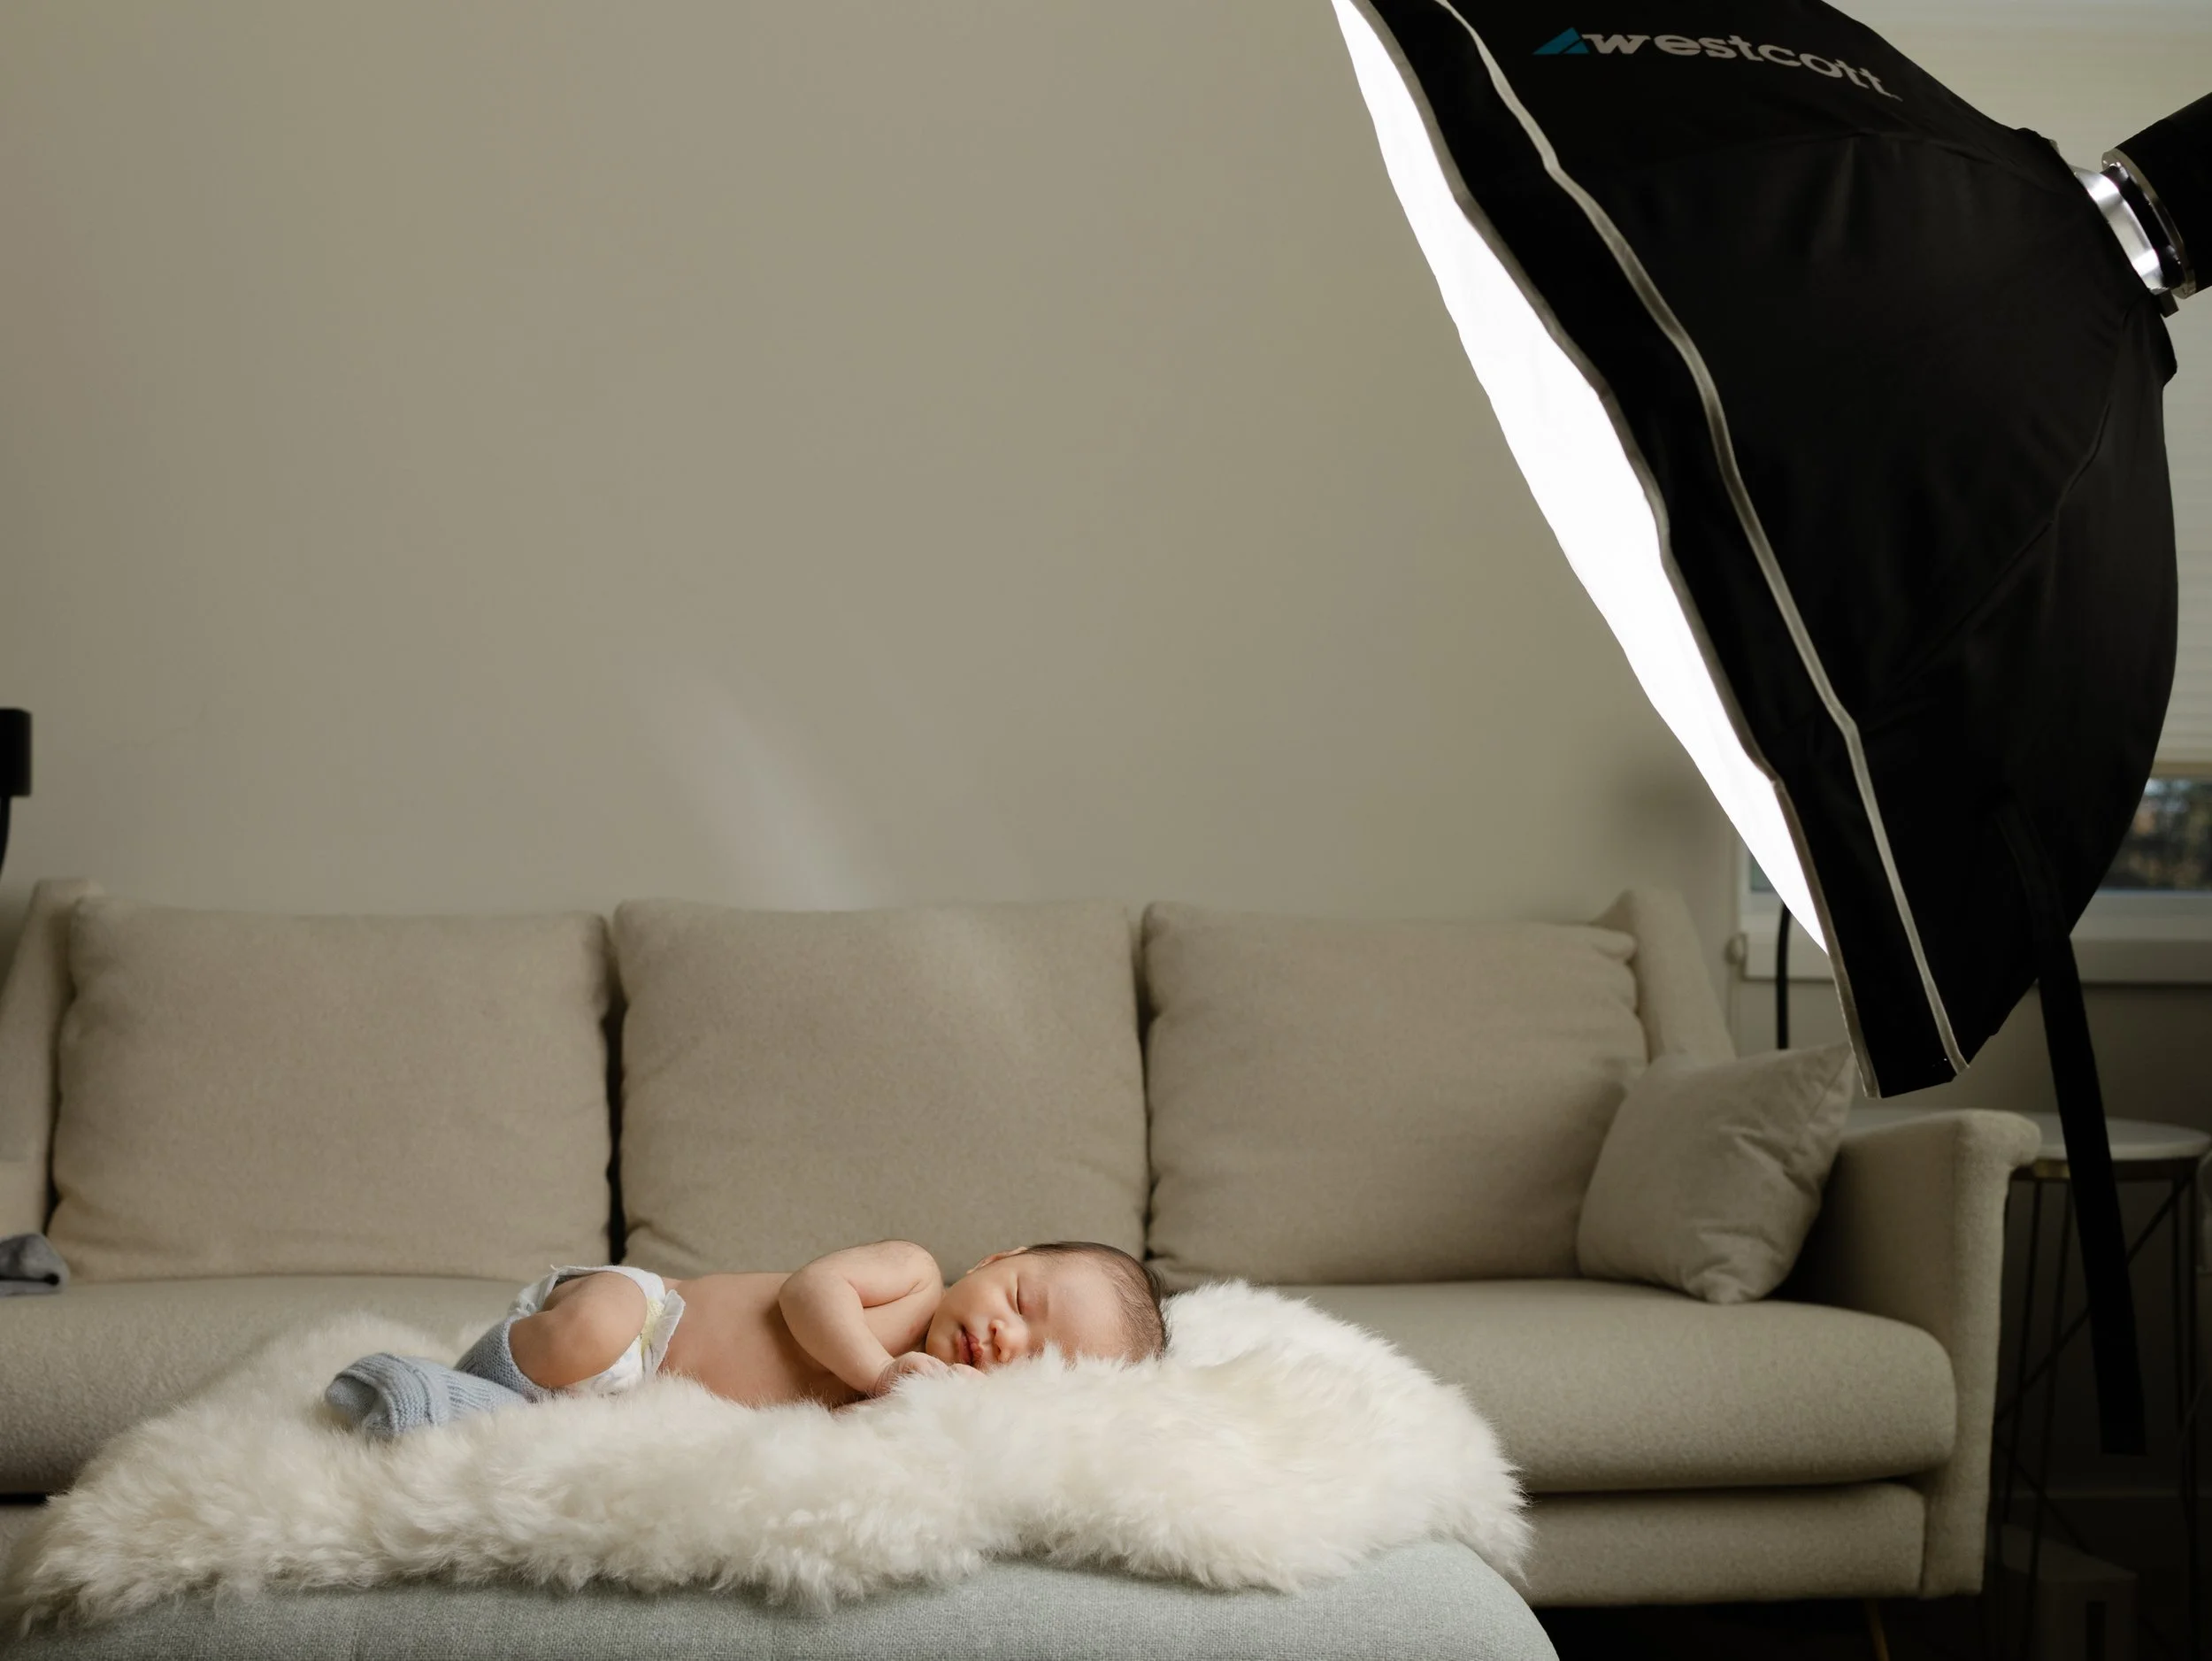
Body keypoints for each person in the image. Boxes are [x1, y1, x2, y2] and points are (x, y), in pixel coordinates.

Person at [326, 1238, 1167, 1438]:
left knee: (546, 1436)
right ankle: (465, 1378)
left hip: (629, 1404)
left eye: (1040, 1356)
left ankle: (450, 1408)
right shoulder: (914, 1273)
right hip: (647, 1316)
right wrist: (879, 1370)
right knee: (590, 1331)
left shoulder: (928, 1406)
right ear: (995, 1260)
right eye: (1021, 1298)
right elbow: (810, 1292)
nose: (1007, 1335)